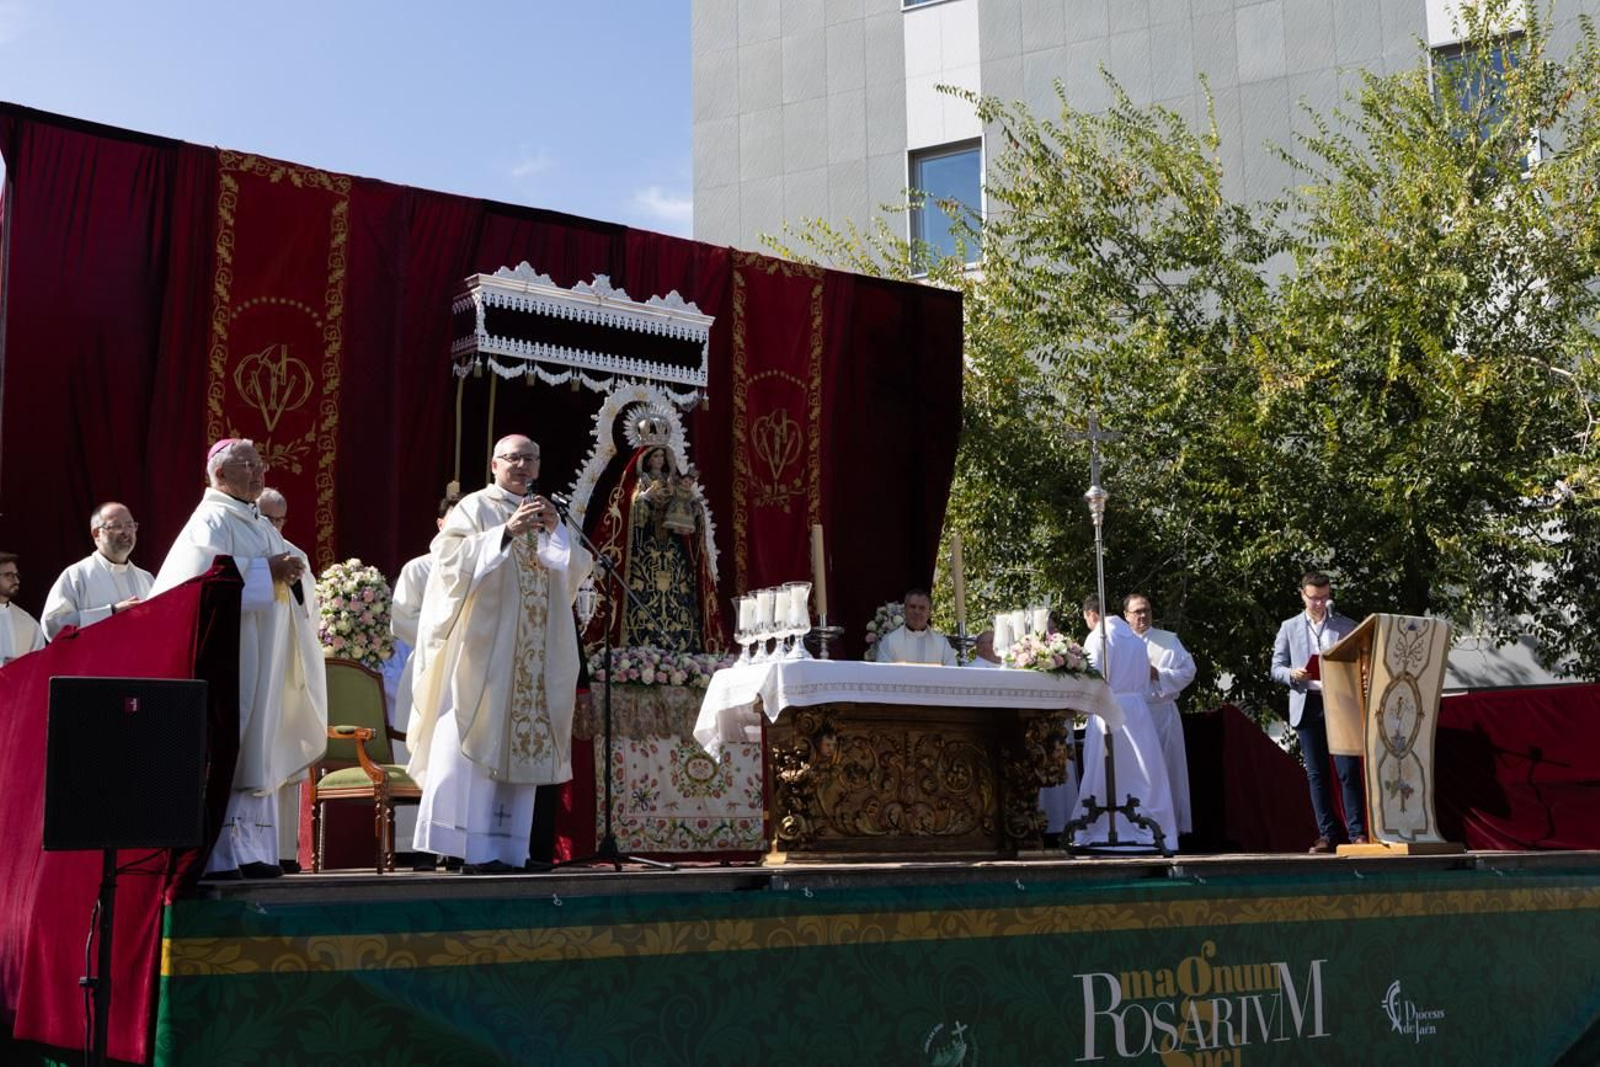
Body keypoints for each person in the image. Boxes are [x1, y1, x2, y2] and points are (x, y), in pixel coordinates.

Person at [407, 434, 593, 874]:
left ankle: (511, 850)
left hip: (532, 654)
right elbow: (447, 565)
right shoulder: (475, 507)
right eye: (514, 458)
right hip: (486, 647)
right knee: (478, 737)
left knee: (522, 744)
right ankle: (470, 850)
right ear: (494, 464)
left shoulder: (548, 512)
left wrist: (556, 534)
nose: (523, 466)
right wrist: (504, 533)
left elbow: (571, 572)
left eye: (532, 458)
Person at [151, 439, 327, 879]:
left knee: (259, 748)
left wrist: (290, 572)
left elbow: (290, 575)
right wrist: (267, 572)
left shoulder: (257, 522)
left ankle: (254, 853)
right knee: (235, 744)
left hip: (263, 655)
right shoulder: (210, 521)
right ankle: (221, 856)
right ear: (220, 475)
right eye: (246, 465)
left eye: (260, 464)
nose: (258, 472)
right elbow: (198, 588)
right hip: (231, 660)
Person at [1068, 595, 1176, 849]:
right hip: (1137, 710)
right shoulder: (1133, 638)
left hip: (1109, 707)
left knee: (1107, 769)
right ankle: (1152, 830)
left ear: (1091, 615)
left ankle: (1106, 829)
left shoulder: (1099, 637)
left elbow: (1093, 677)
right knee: (1142, 772)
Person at [1272, 571, 1364, 853]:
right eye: (1314, 598)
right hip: (1307, 702)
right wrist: (1292, 674)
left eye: (1325, 597)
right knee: (1316, 773)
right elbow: (1275, 667)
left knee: (1347, 771)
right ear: (1303, 595)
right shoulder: (1289, 627)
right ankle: (1327, 834)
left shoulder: (1346, 625)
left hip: (1339, 702)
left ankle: (1357, 833)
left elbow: (1363, 660)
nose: (1320, 604)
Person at [1123, 593, 1197, 838]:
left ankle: (1167, 828)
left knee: (1166, 771)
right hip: (1131, 717)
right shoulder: (1119, 642)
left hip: (1161, 713)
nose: (1143, 616)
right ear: (1126, 616)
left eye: (1146, 610)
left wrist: (1159, 674)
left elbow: (1188, 671)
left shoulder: (1168, 640)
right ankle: (1134, 827)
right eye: (1137, 612)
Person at [40, 503, 154, 639]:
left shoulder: (147, 579)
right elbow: (52, 625)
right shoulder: (76, 575)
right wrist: (110, 612)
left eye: (130, 525)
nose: (126, 532)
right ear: (96, 533)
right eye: (117, 526)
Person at [874, 589, 958, 666]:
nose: (916, 612)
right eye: (912, 607)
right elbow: (882, 676)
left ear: (929, 612)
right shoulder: (889, 642)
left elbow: (952, 675)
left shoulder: (942, 644)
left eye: (922, 608)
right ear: (905, 609)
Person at [0, 553, 46, 666]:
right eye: (9, 575)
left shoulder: (28, 623)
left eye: (16, 575)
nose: (16, 581)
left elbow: (38, 664)